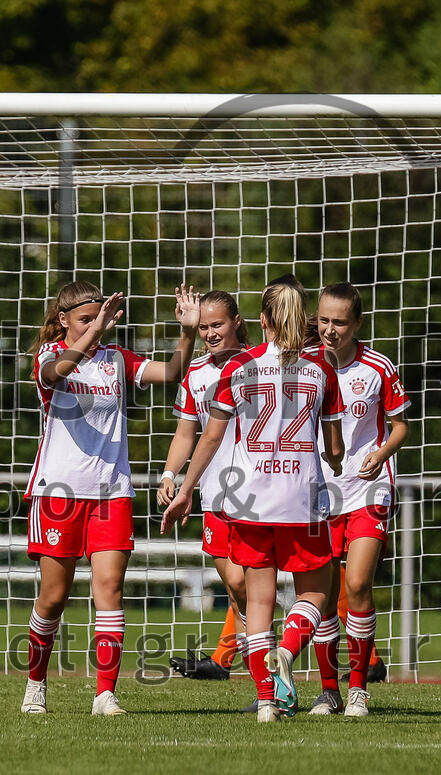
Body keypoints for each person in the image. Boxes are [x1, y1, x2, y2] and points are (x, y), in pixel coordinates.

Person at [162, 274, 345, 722]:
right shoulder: (322, 370)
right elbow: (335, 447)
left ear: (261, 320)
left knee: (256, 605)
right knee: (316, 594)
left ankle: (266, 701)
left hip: (249, 503)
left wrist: (185, 488)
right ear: (302, 318)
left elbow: (210, 437)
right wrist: (335, 460)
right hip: (302, 501)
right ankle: (289, 650)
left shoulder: (236, 367)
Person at [20, 280, 200, 716]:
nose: (94, 325)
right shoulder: (50, 355)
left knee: (110, 590)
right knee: (54, 597)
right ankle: (35, 684)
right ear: (63, 319)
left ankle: (105, 694)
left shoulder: (116, 359)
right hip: (58, 494)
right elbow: (55, 373)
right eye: (84, 319)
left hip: (111, 493)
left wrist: (188, 331)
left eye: (98, 318)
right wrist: (92, 333)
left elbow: (172, 372)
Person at [304, 284, 411, 717]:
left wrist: (380, 454)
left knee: (358, 583)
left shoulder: (378, 367)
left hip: (369, 487)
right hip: (318, 490)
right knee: (324, 595)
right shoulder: (305, 365)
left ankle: (358, 689)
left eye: (340, 322)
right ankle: (328, 690)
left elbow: (400, 427)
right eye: (324, 321)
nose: (330, 330)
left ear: (358, 324)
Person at [157, 291, 253, 702]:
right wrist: (170, 475)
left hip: (261, 492)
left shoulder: (259, 363)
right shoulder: (195, 372)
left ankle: (272, 672)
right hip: (214, 492)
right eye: (203, 328)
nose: (211, 333)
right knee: (235, 585)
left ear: (236, 322)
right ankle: (262, 669)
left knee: (249, 583)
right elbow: (186, 432)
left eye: (217, 325)